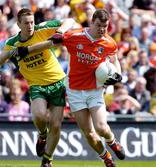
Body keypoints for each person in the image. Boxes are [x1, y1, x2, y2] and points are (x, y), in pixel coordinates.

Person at [15, 9, 125, 167]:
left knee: (101, 127)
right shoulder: (75, 36)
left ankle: (112, 141)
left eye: (105, 26)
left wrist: (118, 74)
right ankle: (106, 157)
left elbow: (115, 60)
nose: (102, 29)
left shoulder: (109, 42)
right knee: (89, 134)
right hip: (74, 92)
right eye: (99, 25)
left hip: (95, 91)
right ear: (92, 23)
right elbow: (50, 43)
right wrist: (26, 50)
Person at [0, 8, 76, 167]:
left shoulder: (42, 29)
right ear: (18, 24)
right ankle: (43, 136)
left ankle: (47, 161)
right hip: (37, 85)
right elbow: (2, 57)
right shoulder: (12, 43)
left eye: (32, 22)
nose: (30, 26)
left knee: (56, 125)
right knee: (39, 115)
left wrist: (60, 31)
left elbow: (70, 20)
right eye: (26, 23)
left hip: (57, 82)